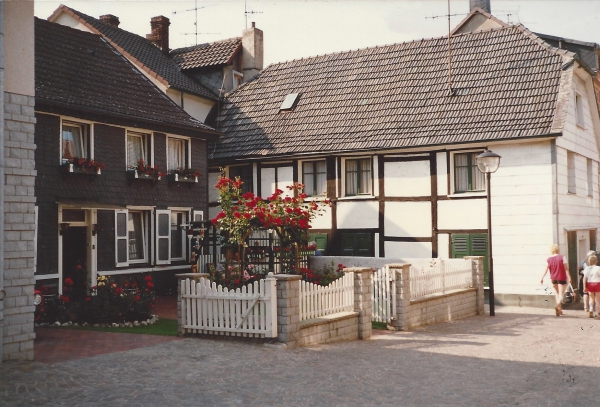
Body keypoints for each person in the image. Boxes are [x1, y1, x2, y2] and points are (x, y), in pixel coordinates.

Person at [540, 244, 572, 316]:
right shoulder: (562, 257)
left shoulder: (548, 259)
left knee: (557, 294)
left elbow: (546, 269)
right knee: (561, 294)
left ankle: (559, 310)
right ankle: (558, 306)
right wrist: (569, 277)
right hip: (561, 277)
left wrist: (542, 278)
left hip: (553, 278)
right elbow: (566, 268)